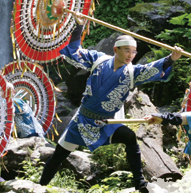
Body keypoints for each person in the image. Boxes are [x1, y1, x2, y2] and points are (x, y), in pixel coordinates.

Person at [39, 16, 183, 193]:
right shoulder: (98, 59)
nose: (131, 55)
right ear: (116, 49)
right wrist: (79, 26)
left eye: (134, 52)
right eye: (127, 51)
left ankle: (140, 183)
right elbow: (74, 52)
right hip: (83, 121)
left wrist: (171, 59)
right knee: (58, 155)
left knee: (129, 138)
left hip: (105, 123)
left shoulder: (132, 72)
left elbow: (152, 70)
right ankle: (39, 186)